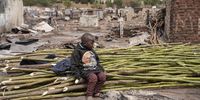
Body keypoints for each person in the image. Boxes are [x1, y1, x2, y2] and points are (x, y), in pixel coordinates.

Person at [71, 33, 106, 100]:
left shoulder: (90, 49)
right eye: (91, 43)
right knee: (93, 78)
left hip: (95, 68)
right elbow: (74, 65)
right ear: (85, 43)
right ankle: (89, 94)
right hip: (85, 69)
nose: (93, 45)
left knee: (102, 76)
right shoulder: (77, 51)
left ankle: (96, 92)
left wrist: (102, 69)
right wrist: (77, 76)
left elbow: (97, 61)